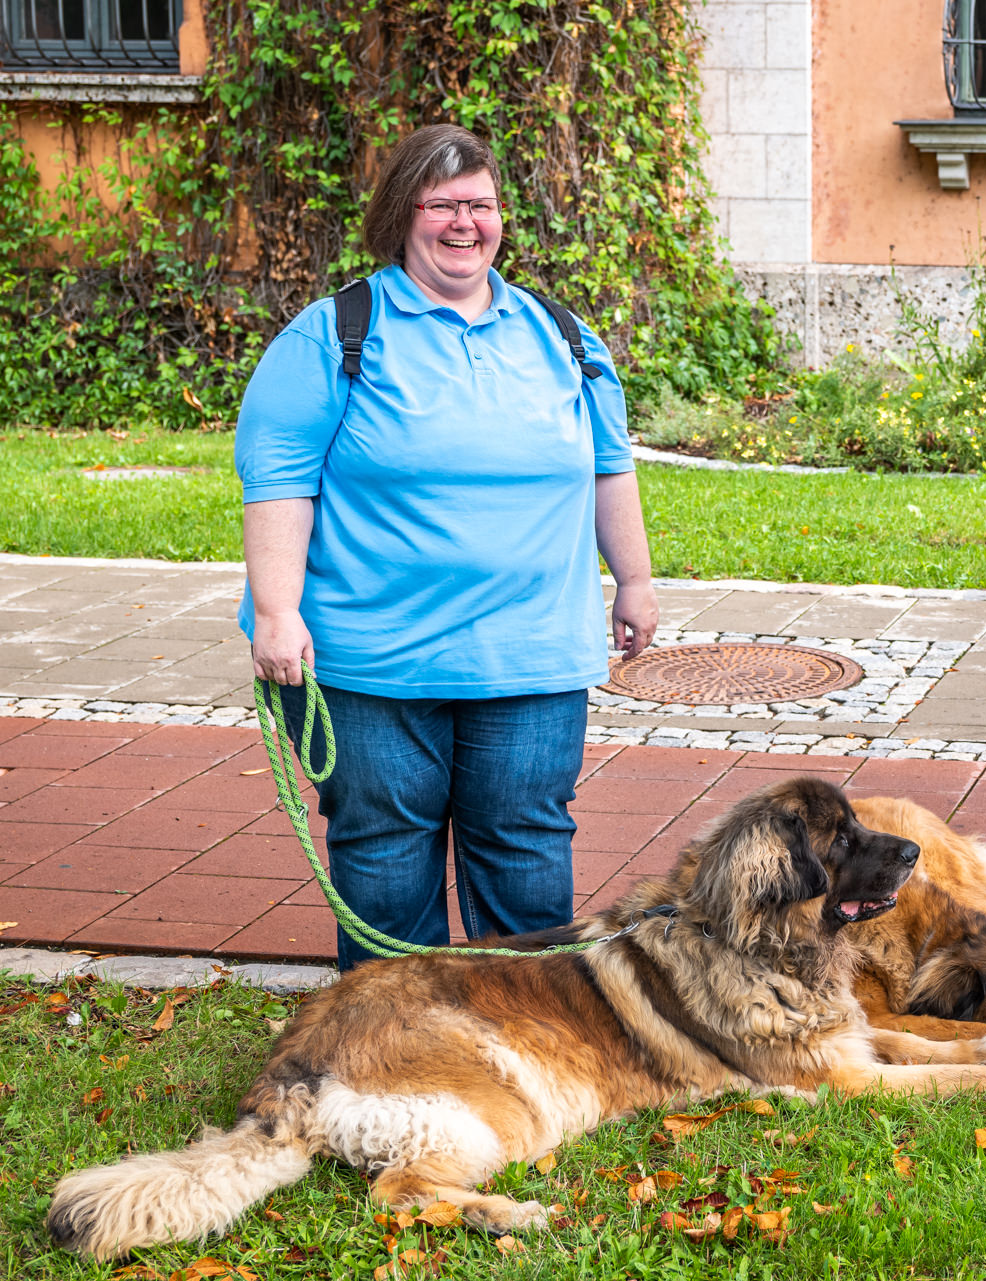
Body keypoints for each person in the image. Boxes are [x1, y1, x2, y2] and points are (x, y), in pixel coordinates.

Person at [236, 123, 658, 970]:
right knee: (386, 856)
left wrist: (635, 581)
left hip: (530, 655)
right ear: (403, 214)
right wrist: (277, 612)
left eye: (481, 204)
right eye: (443, 205)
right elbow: (278, 480)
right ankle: (392, 1037)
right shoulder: (333, 335)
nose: (466, 223)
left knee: (526, 854)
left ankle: (529, 1034)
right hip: (372, 662)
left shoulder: (563, 336)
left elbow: (608, 466)